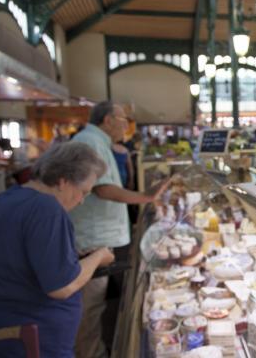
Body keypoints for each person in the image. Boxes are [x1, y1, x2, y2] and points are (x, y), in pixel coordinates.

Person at [0, 142, 115, 358]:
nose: (81, 202)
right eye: (83, 192)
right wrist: (98, 256)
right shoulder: (47, 209)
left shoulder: (3, 199)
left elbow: (19, 257)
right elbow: (63, 286)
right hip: (28, 341)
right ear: (63, 181)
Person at [70, 101, 168, 358]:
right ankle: (90, 353)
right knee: (90, 305)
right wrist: (144, 197)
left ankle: (94, 349)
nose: (126, 123)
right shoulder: (90, 142)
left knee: (96, 303)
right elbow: (102, 188)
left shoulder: (98, 141)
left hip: (99, 236)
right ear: (107, 119)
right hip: (92, 238)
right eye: (122, 118)